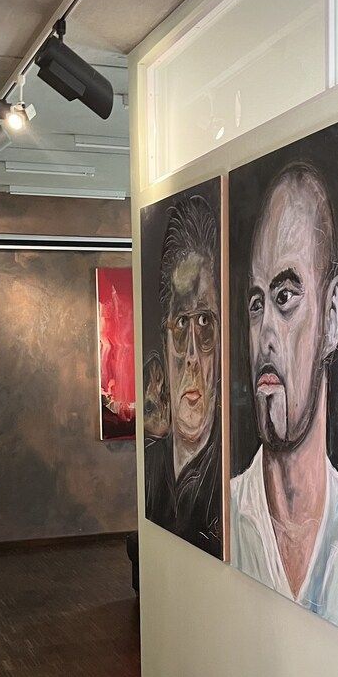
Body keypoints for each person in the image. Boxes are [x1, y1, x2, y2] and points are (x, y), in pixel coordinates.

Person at [230, 164, 338, 631]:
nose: (265, 333)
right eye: (256, 304)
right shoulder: (227, 515)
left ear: (331, 314)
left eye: (285, 297)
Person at [144, 195, 222, 557]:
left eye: (205, 321)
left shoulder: (232, 484)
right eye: (180, 324)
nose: (191, 356)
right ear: (164, 340)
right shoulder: (149, 468)